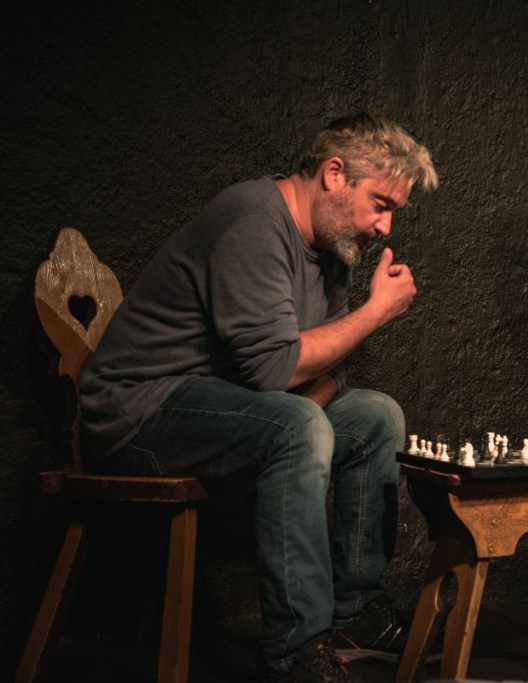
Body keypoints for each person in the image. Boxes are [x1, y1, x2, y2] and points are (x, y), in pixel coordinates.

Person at [80, 113, 438, 682]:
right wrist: (373, 316)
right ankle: (296, 650)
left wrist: (298, 406)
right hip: (140, 412)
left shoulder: (335, 248)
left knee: (375, 418)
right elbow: (276, 369)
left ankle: (356, 612)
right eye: (381, 204)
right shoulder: (252, 220)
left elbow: (329, 366)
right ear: (334, 174)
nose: (385, 227)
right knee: (295, 425)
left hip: (226, 402)